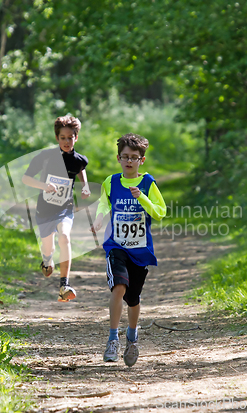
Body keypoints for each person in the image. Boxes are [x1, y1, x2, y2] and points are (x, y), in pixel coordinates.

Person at [90, 133, 166, 366]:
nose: (129, 161)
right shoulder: (110, 182)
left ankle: (131, 336)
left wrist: (142, 197)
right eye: (125, 157)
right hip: (116, 245)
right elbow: (104, 202)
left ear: (142, 160)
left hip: (140, 250)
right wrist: (100, 217)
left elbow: (160, 212)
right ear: (118, 158)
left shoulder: (147, 183)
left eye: (134, 157)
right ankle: (113, 339)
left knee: (133, 299)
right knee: (119, 287)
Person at [22, 115, 90, 302]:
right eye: (63, 138)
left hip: (65, 207)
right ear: (57, 138)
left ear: (76, 137)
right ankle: (47, 259)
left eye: (71, 137)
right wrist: (44, 186)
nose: (67, 141)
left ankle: (64, 285)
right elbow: (26, 179)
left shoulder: (79, 159)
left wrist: (84, 185)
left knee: (65, 236)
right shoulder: (45, 157)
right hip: (44, 209)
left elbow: (80, 167)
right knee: (48, 246)